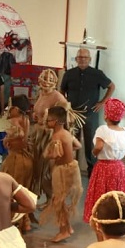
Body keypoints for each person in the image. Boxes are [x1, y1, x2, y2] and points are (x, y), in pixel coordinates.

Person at [60, 48, 115, 176]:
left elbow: (111, 86)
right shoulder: (69, 74)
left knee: (91, 141)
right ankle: (69, 166)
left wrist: (102, 102)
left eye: (85, 57)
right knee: (71, 139)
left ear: (90, 59)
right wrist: (64, 105)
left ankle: (92, 169)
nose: (82, 60)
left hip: (90, 113)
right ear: (76, 59)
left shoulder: (97, 73)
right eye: (80, 57)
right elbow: (62, 91)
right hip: (72, 113)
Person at [82, 98, 125, 223]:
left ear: (106, 115)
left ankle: (100, 218)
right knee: (117, 193)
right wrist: (120, 153)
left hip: (103, 166)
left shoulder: (103, 130)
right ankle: (116, 219)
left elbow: (99, 146)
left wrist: (94, 153)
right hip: (119, 167)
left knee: (101, 194)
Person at [41, 105, 83, 243]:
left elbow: (53, 155)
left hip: (62, 171)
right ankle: (68, 228)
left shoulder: (57, 136)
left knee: (59, 201)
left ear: (57, 122)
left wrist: (50, 156)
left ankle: (63, 231)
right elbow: (78, 145)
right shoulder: (67, 133)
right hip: (72, 167)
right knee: (62, 200)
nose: (47, 122)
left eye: (49, 120)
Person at [30, 69, 70, 201]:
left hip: (48, 137)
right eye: (44, 80)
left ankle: (51, 199)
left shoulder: (58, 97)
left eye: (49, 81)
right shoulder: (41, 93)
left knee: (46, 170)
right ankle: (39, 196)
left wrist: (49, 124)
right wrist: (36, 115)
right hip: (38, 134)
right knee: (36, 168)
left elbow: (64, 119)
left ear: (54, 83)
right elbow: (38, 109)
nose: (46, 83)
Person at [0, 95, 34, 232]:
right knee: (24, 191)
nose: (8, 109)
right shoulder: (27, 120)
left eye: (10, 107)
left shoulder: (13, 121)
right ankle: (26, 221)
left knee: (12, 191)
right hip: (28, 160)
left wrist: (7, 141)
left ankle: (14, 220)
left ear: (16, 109)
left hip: (15, 160)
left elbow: (12, 141)